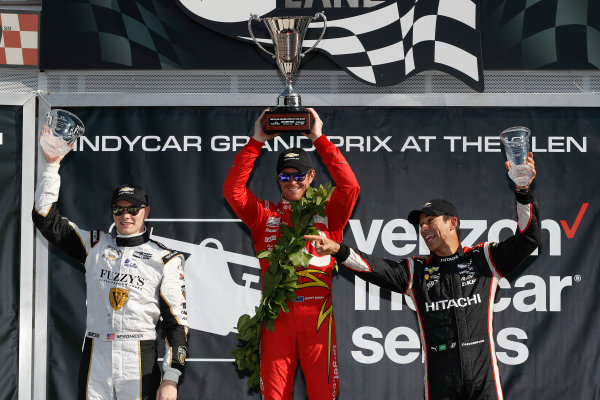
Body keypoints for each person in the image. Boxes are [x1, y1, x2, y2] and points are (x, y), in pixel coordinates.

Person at [305, 154, 540, 400]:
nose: (424, 228)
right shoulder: (415, 271)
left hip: (484, 381)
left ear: (453, 223)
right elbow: (371, 267)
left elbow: (529, 239)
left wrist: (523, 192)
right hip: (441, 381)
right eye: (421, 225)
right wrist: (338, 250)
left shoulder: (484, 258)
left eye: (430, 221)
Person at [32, 127, 188, 400]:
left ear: (145, 212)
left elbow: (176, 324)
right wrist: (51, 167)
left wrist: (171, 377)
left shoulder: (165, 259)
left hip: (139, 352)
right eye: (118, 209)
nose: (125, 215)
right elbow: (45, 219)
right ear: (112, 212)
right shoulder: (93, 245)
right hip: (96, 349)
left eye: (132, 209)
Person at [223, 108, 360, 399]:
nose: (292, 181)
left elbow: (350, 187)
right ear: (278, 179)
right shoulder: (264, 215)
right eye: (285, 175)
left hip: (318, 318)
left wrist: (320, 139)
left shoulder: (328, 215)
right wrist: (256, 141)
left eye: (298, 175)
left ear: (310, 177)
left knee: (323, 394)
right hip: (277, 320)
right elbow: (233, 192)